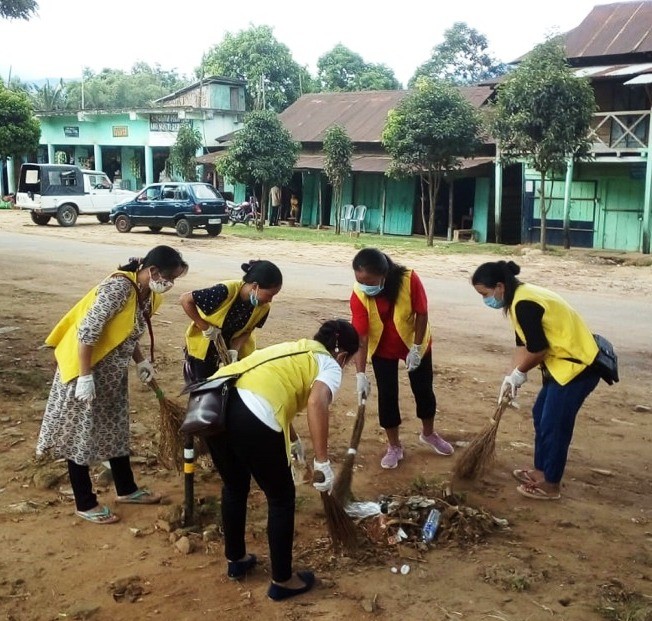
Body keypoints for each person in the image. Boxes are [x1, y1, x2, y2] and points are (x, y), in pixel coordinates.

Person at [202, 319, 360, 600]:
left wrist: (293, 437)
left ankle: (236, 561)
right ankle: (282, 581)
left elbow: (276, 389)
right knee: (281, 498)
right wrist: (321, 461)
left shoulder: (294, 348)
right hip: (251, 414)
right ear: (343, 355)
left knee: (235, 487)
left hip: (213, 406)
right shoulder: (329, 364)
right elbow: (316, 402)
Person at [36, 246, 189, 524]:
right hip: (84, 372)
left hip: (111, 376)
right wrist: (84, 377)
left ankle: (127, 489)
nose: (170, 284)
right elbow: (87, 331)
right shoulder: (118, 288)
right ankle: (85, 502)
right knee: (80, 435)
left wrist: (141, 361)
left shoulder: (149, 296)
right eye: (169, 278)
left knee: (114, 429)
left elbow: (128, 333)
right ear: (152, 271)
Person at [471, 260, 601, 501]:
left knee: (555, 424)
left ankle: (551, 484)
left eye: (485, 294)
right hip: (561, 366)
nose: (485, 300)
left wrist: (520, 373)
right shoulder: (517, 300)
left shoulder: (525, 303)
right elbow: (523, 345)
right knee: (540, 414)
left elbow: (538, 350)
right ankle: (540, 471)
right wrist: (510, 378)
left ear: (499, 286)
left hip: (579, 367)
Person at [350, 248, 453, 470]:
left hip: (413, 342)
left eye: (369, 281)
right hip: (382, 348)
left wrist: (416, 349)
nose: (364, 286)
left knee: (423, 389)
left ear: (383, 275)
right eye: (359, 280)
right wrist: (360, 374)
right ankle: (394, 446)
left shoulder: (408, 279)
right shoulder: (358, 294)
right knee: (387, 395)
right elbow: (361, 336)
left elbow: (422, 313)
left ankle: (428, 433)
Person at [179, 260, 283, 385]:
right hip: (205, 348)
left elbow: (248, 330)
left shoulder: (263, 307)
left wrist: (234, 350)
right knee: (202, 387)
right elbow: (185, 300)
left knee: (229, 387)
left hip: (229, 349)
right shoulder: (224, 291)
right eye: (269, 294)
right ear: (255, 286)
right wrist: (205, 327)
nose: (270, 300)